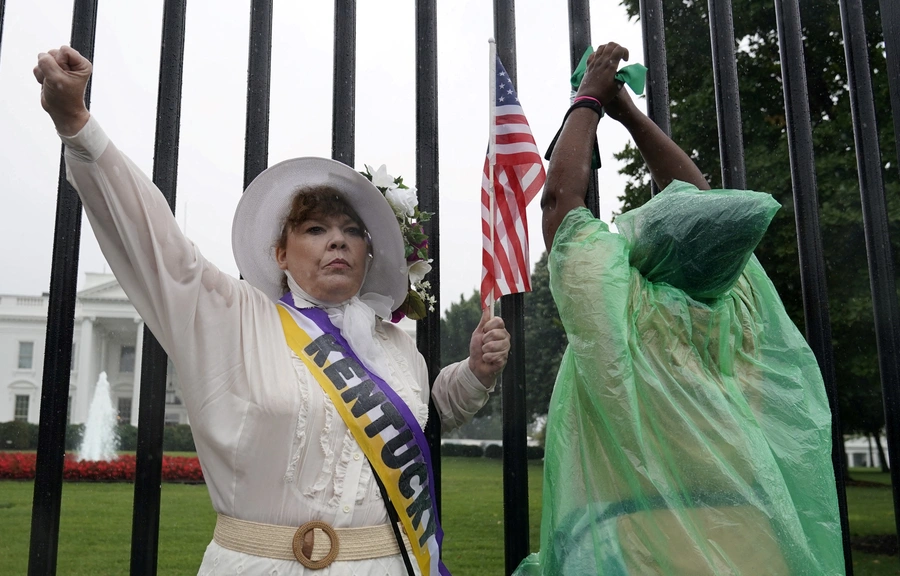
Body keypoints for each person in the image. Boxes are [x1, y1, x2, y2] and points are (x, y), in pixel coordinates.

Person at [35, 45, 510, 575]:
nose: (339, 242)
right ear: (280, 253)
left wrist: (476, 372)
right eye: (316, 229)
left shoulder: (397, 345)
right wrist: (77, 123)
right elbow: (156, 244)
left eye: (353, 232)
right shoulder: (234, 317)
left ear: (370, 254)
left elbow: (429, 412)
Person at [516, 43, 844, 574]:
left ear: (654, 249)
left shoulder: (624, 309)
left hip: (641, 541)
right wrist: (629, 113)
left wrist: (590, 99)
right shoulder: (740, 306)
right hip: (752, 537)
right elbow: (702, 205)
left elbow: (560, 203)